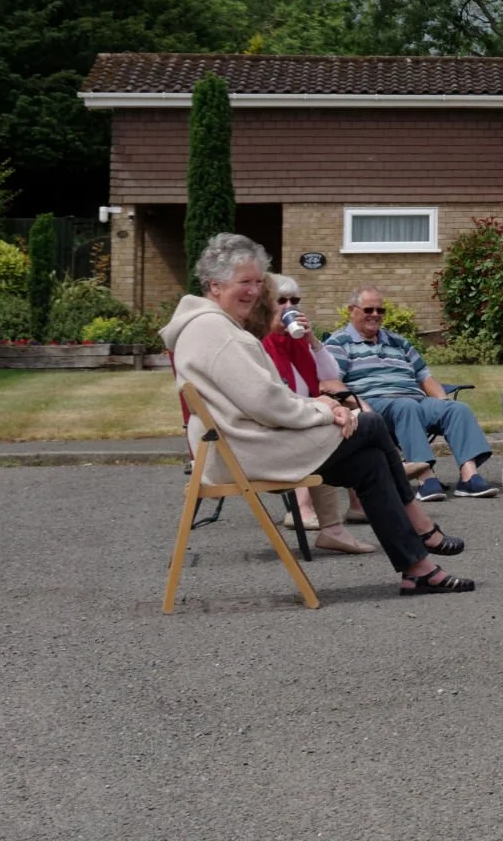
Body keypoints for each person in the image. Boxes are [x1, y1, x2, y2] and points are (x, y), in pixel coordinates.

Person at [162, 233, 475, 596]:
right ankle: (422, 526)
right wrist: (326, 411)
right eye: (243, 283)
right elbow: (267, 402)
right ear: (215, 286)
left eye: (257, 282)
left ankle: (418, 568)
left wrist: (323, 406)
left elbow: (267, 397)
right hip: (248, 450)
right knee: (370, 423)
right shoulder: (216, 331)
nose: (252, 291)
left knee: (371, 461)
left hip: (244, 444)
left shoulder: (215, 326)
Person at [324, 286, 497, 501]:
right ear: (352, 310)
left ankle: (469, 477)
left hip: (414, 400)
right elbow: (330, 382)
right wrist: (359, 403)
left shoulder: (398, 342)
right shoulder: (339, 342)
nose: (375, 315)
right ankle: (425, 478)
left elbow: (425, 376)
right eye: (369, 310)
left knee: (456, 409)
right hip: (374, 403)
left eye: (380, 310)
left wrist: (442, 402)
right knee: (406, 406)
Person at [253, 274, 374, 555]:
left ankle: (340, 524)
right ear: (265, 304)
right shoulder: (257, 343)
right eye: (281, 300)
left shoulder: (296, 342)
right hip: (274, 433)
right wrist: (325, 408)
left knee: (356, 422)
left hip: (300, 421)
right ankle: (394, 484)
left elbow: (331, 375)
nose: (289, 306)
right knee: (353, 430)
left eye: (295, 301)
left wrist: (312, 340)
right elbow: (276, 400)